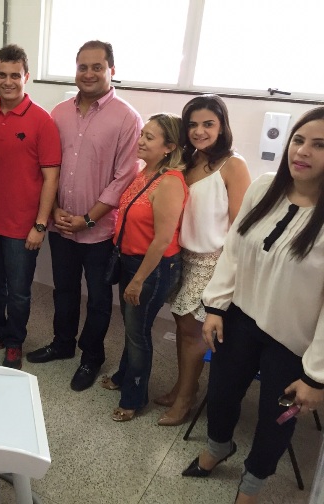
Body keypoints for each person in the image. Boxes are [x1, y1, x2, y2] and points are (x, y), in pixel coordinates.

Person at [182, 107, 324, 504]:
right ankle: (218, 448)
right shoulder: (263, 188)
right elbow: (234, 250)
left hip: (293, 341)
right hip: (240, 319)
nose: (303, 151)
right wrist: (215, 307)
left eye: (319, 145)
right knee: (221, 394)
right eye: (298, 140)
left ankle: (252, 486)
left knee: (274, 420)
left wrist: (317, 376)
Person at [25, 40, 142, 392]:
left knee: (100, 300)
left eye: (97, 67)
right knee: (63, 290)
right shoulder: (58, 113)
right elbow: (48, 166)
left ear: (112, 70)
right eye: (82, 67)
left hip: (99, 231)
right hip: (61, 225)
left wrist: (88, 218)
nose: (88, 73)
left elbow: (125, 177)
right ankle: (62, 344)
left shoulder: (127, 118)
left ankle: (92, 356)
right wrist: (54, 210)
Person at [156, 95, 251, 426]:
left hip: (213, 261)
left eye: (208, 124)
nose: (199, 131)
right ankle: (184, 387)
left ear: (222, 126)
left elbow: (241, 227)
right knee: (181, 326)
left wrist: (228, 276)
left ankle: (184, 400)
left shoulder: (233, 165)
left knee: (192, 332)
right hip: (183, 256)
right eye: (193, 125)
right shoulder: (189, 160)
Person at [0, 44, 61, 369]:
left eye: (15, 75)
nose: (7, 82)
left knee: (19, 292)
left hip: (23, 228)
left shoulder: (42, 121)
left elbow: (51, 178)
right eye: (2, 75)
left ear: (26, 77)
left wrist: (40, 225)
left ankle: (14, 341)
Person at [101, 113, 187, 422]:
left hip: (151, 268)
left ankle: (134, 398)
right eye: (142, 134)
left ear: (169, 147)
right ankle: (124, 375)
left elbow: (162, 240)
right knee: (132, 326)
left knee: (138, 333)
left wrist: (138, 280)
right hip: (130, 261)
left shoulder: (170, 182)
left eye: (150, 137)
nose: (141, 141)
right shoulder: (145, 172)